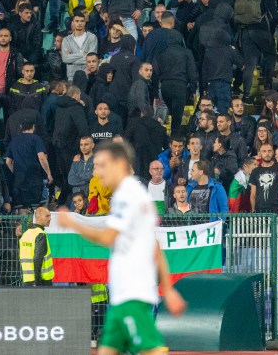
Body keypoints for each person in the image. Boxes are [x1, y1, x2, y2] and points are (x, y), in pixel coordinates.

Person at [58, 140, 186, 355]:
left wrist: (73, 223)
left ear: (118, 163)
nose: (96, 172)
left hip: (132, 294)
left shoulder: (128, 195)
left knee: (150, 350)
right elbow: (153, 244)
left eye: (100, 165)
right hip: (122, 296)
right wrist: (169, 289)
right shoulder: (127, 194)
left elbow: (109, 237)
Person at [20, 206, 54, 286]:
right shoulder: (40, 234)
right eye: (47, 216)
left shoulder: (25, 234)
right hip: (41, 281)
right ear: (38, 216)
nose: (50, 219)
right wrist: (37, 282)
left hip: (27, 279)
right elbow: (38, 259)